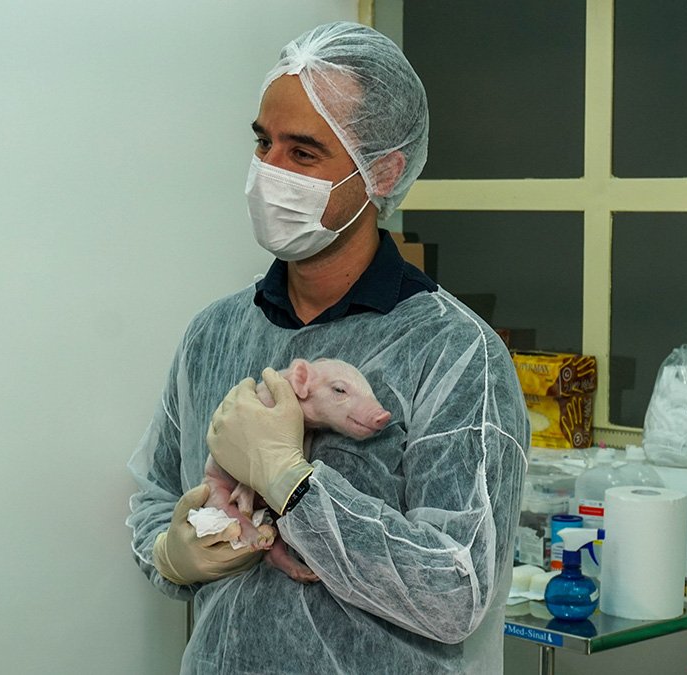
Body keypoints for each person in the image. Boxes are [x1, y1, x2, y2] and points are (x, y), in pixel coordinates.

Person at [126, 21, 528, 673]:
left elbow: (455, 590)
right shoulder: (215, 333)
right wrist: (174, 549)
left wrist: (293, 483)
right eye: (264, 143)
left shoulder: (454, 354)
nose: (269, 173)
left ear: (383, 171)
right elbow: (153, 495)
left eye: (303, 153)